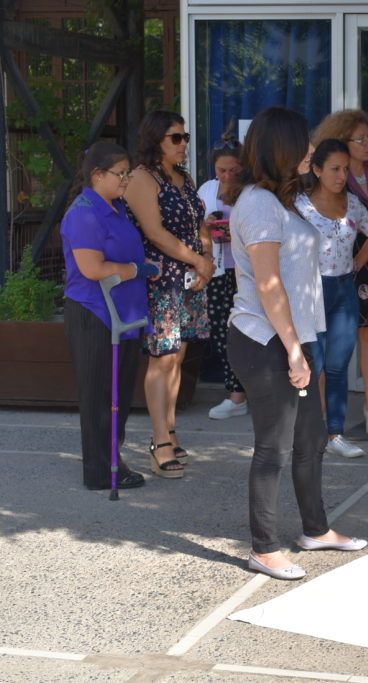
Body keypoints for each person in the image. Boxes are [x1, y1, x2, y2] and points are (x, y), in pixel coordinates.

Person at [225, 106, 368, 581]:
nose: (310, 149)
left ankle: (316, 530)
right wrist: (292, 351)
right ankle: (264, 548)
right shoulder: (259, 204)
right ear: (281, 148)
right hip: (266, 340)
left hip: (294, 337)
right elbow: (269, 286)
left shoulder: (280, 200)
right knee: (274, 447)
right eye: (303, 143)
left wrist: (301, 345)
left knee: (310, 439)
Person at [61, 142, 156, 489]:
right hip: (95, 315)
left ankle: (113, 458)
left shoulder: (116, 208)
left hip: (123, 315)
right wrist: (136, 269)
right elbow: (92, 268)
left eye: (128, 173)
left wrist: (139, 267)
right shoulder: (84, 213)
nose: (127, 180)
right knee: (99, 397)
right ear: (98, 175)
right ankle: (101, 472)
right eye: (121, 174)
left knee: (120, 396)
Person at [124, 110, 212, 478]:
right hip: (162, 280)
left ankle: (170, 432)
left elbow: (200, 223)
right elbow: (155, 233)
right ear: (155, 139)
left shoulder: (184, 177)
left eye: (185, 137)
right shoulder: (142, 178)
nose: (183, 144)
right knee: (161, 359)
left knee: (177, 358)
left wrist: (206, 259)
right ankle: (158, 442)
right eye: (175, 137)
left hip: (189, 277)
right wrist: (198, 260)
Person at [312, 110, 368, 435]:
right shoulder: (325, 178)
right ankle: (321, 415)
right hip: (330, 269)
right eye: (360, 139)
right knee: (323, 344)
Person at [296, 138, 368, 459]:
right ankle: (305, 433)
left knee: (337, 367)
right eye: (334, 169)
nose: (341, 176)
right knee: (313, 365)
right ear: (317, 169)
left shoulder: (352, 203)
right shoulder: (299, 204)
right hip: (312, 291)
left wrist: (358, 262)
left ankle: (336, 434)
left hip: (344, 290)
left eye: (345, 169)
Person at [198, 131, 247, 420]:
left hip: (246, 269)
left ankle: (249, 393)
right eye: (221, 170)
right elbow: (195, 228)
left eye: (233, 170)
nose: (227, 176)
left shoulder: (251, 191)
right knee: (221, 333)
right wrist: (206, 227)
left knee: (247, 330)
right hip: (217, 269)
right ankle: (235, 395)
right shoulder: (206, 189)